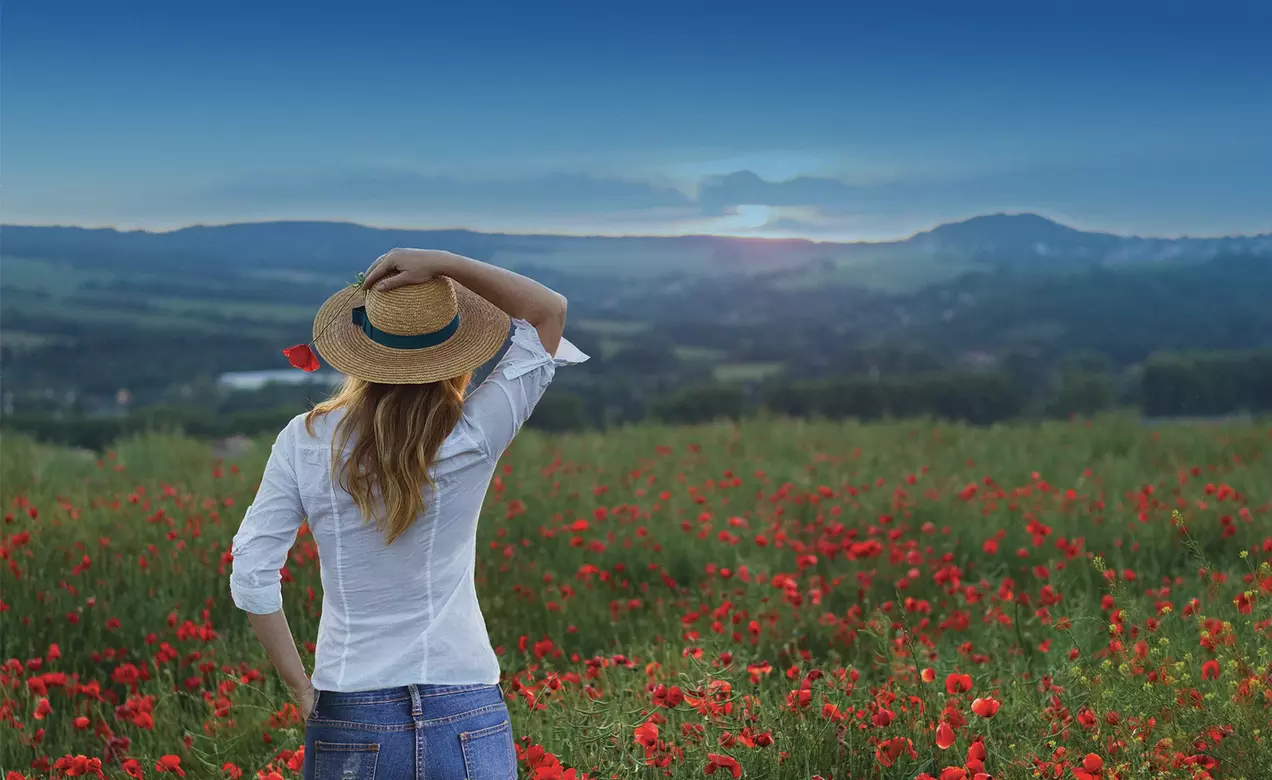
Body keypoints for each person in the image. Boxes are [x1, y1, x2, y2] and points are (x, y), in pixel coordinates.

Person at [229, 249, 587, 779]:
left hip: (350, 707)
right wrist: (440, 264)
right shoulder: (475, 435)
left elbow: (252, 576)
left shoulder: (305, 441)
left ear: (361, 348)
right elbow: (548, 311)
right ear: (455, 351)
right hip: (466, 705)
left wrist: (304, 693)